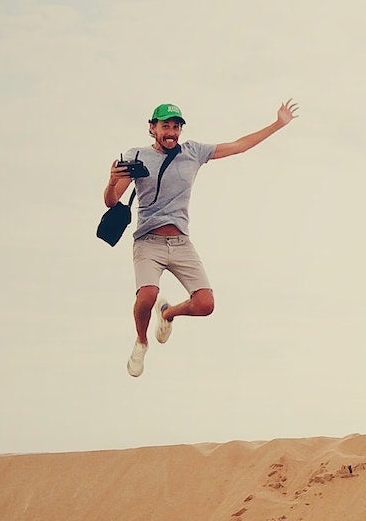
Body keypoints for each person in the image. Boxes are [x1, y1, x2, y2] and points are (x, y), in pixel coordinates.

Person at [103, 99, 298, 378]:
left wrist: (278, 124)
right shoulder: (137, 156)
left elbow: (238, 145)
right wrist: (111, 181)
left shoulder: (193, 152)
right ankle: (141, 342)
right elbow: (111, 201)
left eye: (175, 126)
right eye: (164, 126)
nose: (170, 131)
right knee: (147, 295)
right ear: (152, 128)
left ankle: (168, 314)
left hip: (181, 242)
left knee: (205, 304)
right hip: (148, 241)